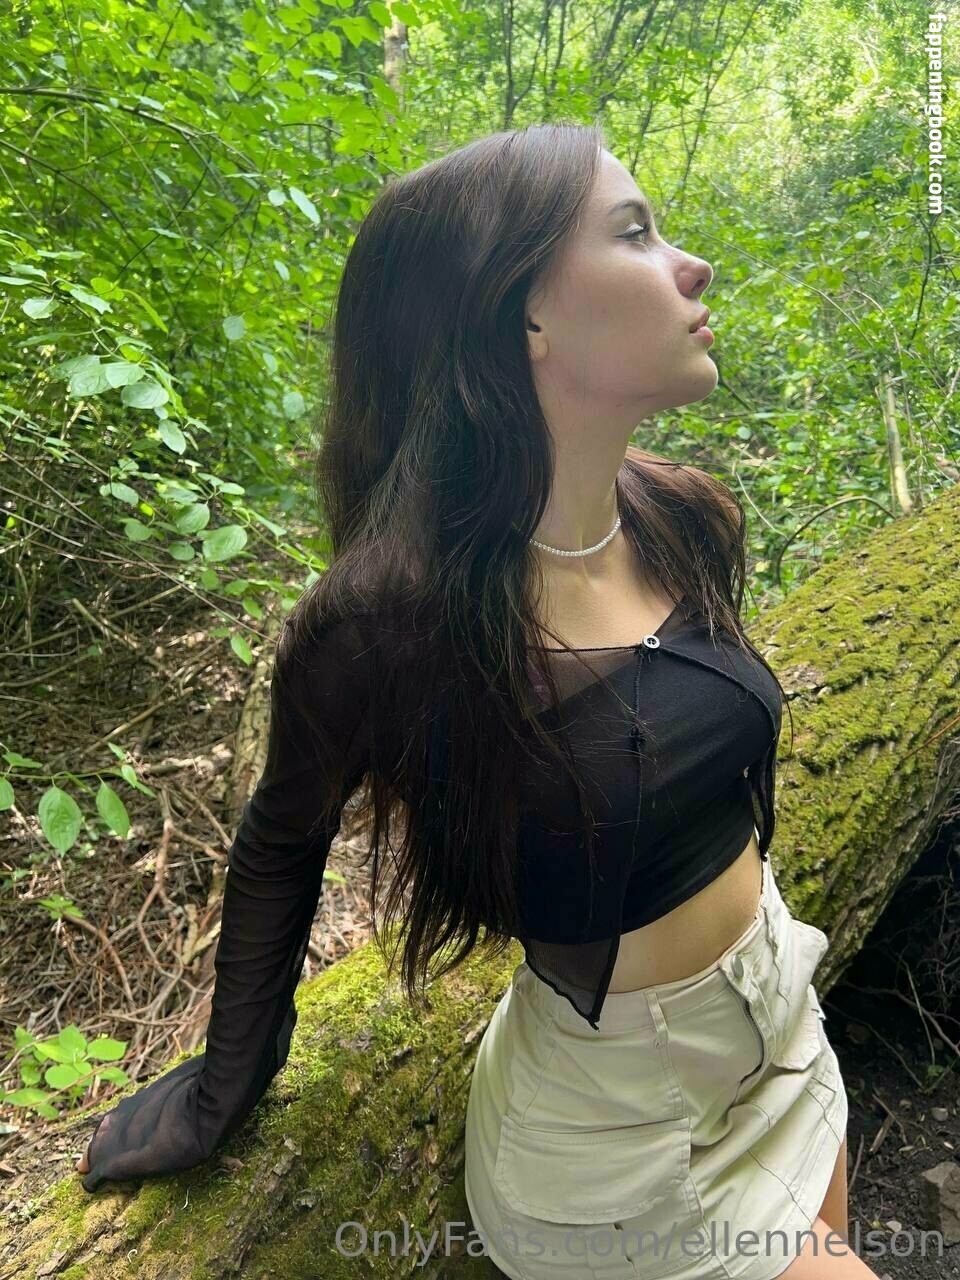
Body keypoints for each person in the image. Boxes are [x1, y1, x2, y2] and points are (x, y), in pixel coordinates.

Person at [77, 122, 873, 1279]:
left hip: (786, 1021)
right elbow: (279, 841)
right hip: (617, 1141)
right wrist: (222, 1087)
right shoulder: (383, 622)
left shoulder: (687, 516)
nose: (691, 266)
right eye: (635, 232)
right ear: (525, 315)